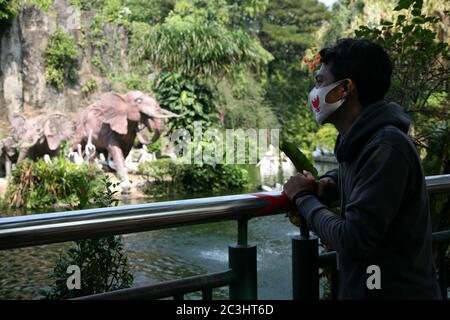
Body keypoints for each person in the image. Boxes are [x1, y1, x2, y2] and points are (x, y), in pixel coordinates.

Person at [283, 38, 441, 300]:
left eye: (321, 82)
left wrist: (303, 198)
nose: (315, 92)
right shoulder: (358, 141)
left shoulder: (386, 147)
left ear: (345, 88)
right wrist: (331, 183)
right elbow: (363, 177)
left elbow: (353, 239)